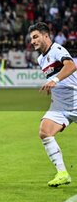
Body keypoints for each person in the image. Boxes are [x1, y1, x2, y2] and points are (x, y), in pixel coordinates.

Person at [28, 22, 77, 187]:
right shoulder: (41, 59)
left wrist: (54, 80)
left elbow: (71, 66)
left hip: (75, 101)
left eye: (35, 37)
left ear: (45, 35)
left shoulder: (57, 49)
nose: (33, 41)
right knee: (44, 131)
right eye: (31, 38)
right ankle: (62, 173)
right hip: (60, 106)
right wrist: (52, 85)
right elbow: (54, 77)